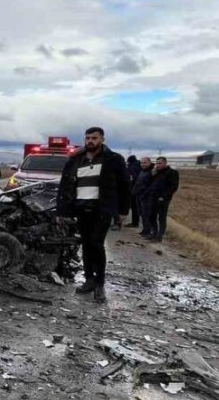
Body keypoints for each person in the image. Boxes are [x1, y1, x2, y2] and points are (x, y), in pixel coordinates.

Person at [57, 127, 130, 303]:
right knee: (87, 246)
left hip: (101, 209)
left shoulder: (113, 159)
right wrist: (62, 212)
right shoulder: (75, 160)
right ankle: (89, 280)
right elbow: (65, 186)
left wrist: (122, 211)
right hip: (81, 208)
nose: (90, 141)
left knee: (97, 244)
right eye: (88, 138)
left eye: (94, 138)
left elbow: (124, 186)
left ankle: (99, 284)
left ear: (102, 139)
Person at [142, 156, 179, 243]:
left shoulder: (172, 172)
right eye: (157, 163)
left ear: (165, 163)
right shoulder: (156, 172)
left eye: (160, 163)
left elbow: (174, 186)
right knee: (151, 216)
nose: (158, 165)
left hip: (163, 199)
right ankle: (153, 233)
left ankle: (159, 236)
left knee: (161, 218)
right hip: (153, 197)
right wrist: (152, 173)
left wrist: (164, 196)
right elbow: (148, 183)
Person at [132, 157, 154, 233]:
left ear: (149, 162)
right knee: (141, 213)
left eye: (145, 162)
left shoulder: (152, 172)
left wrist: (144, 193)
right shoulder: (142, 171)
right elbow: (138, 182)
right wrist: (134, 191)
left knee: (146, 214)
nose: (143, 164)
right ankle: (145, 229)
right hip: (139, 195)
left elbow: (151, 185)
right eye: (141, 163)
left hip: (146, 197)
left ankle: (148, 230)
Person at [125, 155, 141, 226]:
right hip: (139, 189)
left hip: (133, 189)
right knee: (137, 207)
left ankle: (135, 223)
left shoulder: (132, 167)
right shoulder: (139, 165)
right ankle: (136, 222)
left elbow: (132, 178)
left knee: (134, 207)